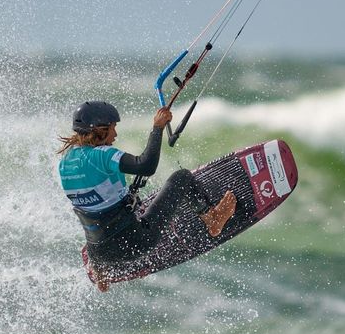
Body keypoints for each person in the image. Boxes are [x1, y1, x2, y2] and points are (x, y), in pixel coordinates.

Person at [58, 100, 236, 291]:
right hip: (135, 242)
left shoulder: (66, 161)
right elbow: (146, 166)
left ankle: (101, 275)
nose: (115, 134)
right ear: (99, 129)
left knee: (95, 216)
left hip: (99, 254)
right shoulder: (102, 155)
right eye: (112, 128)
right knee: (181, 177)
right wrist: (157, 128)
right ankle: (213, 220)